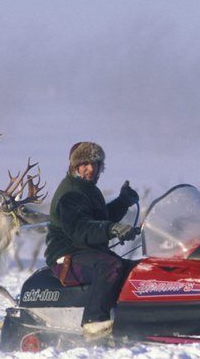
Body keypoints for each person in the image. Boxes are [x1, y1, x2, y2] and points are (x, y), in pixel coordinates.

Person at [44, 141, 140, 341]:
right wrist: (112, 229)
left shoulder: (88, 189)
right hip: (67, 256)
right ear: (75, 166)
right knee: (109, 265)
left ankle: (131, 318)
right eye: (84, 164)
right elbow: (81, 229)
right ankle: (94, 322)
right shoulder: (70, 193)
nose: (90, 169)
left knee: (133, 268)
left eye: (95, 164)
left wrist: (123, 202)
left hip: (86, 251)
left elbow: (98, 219)